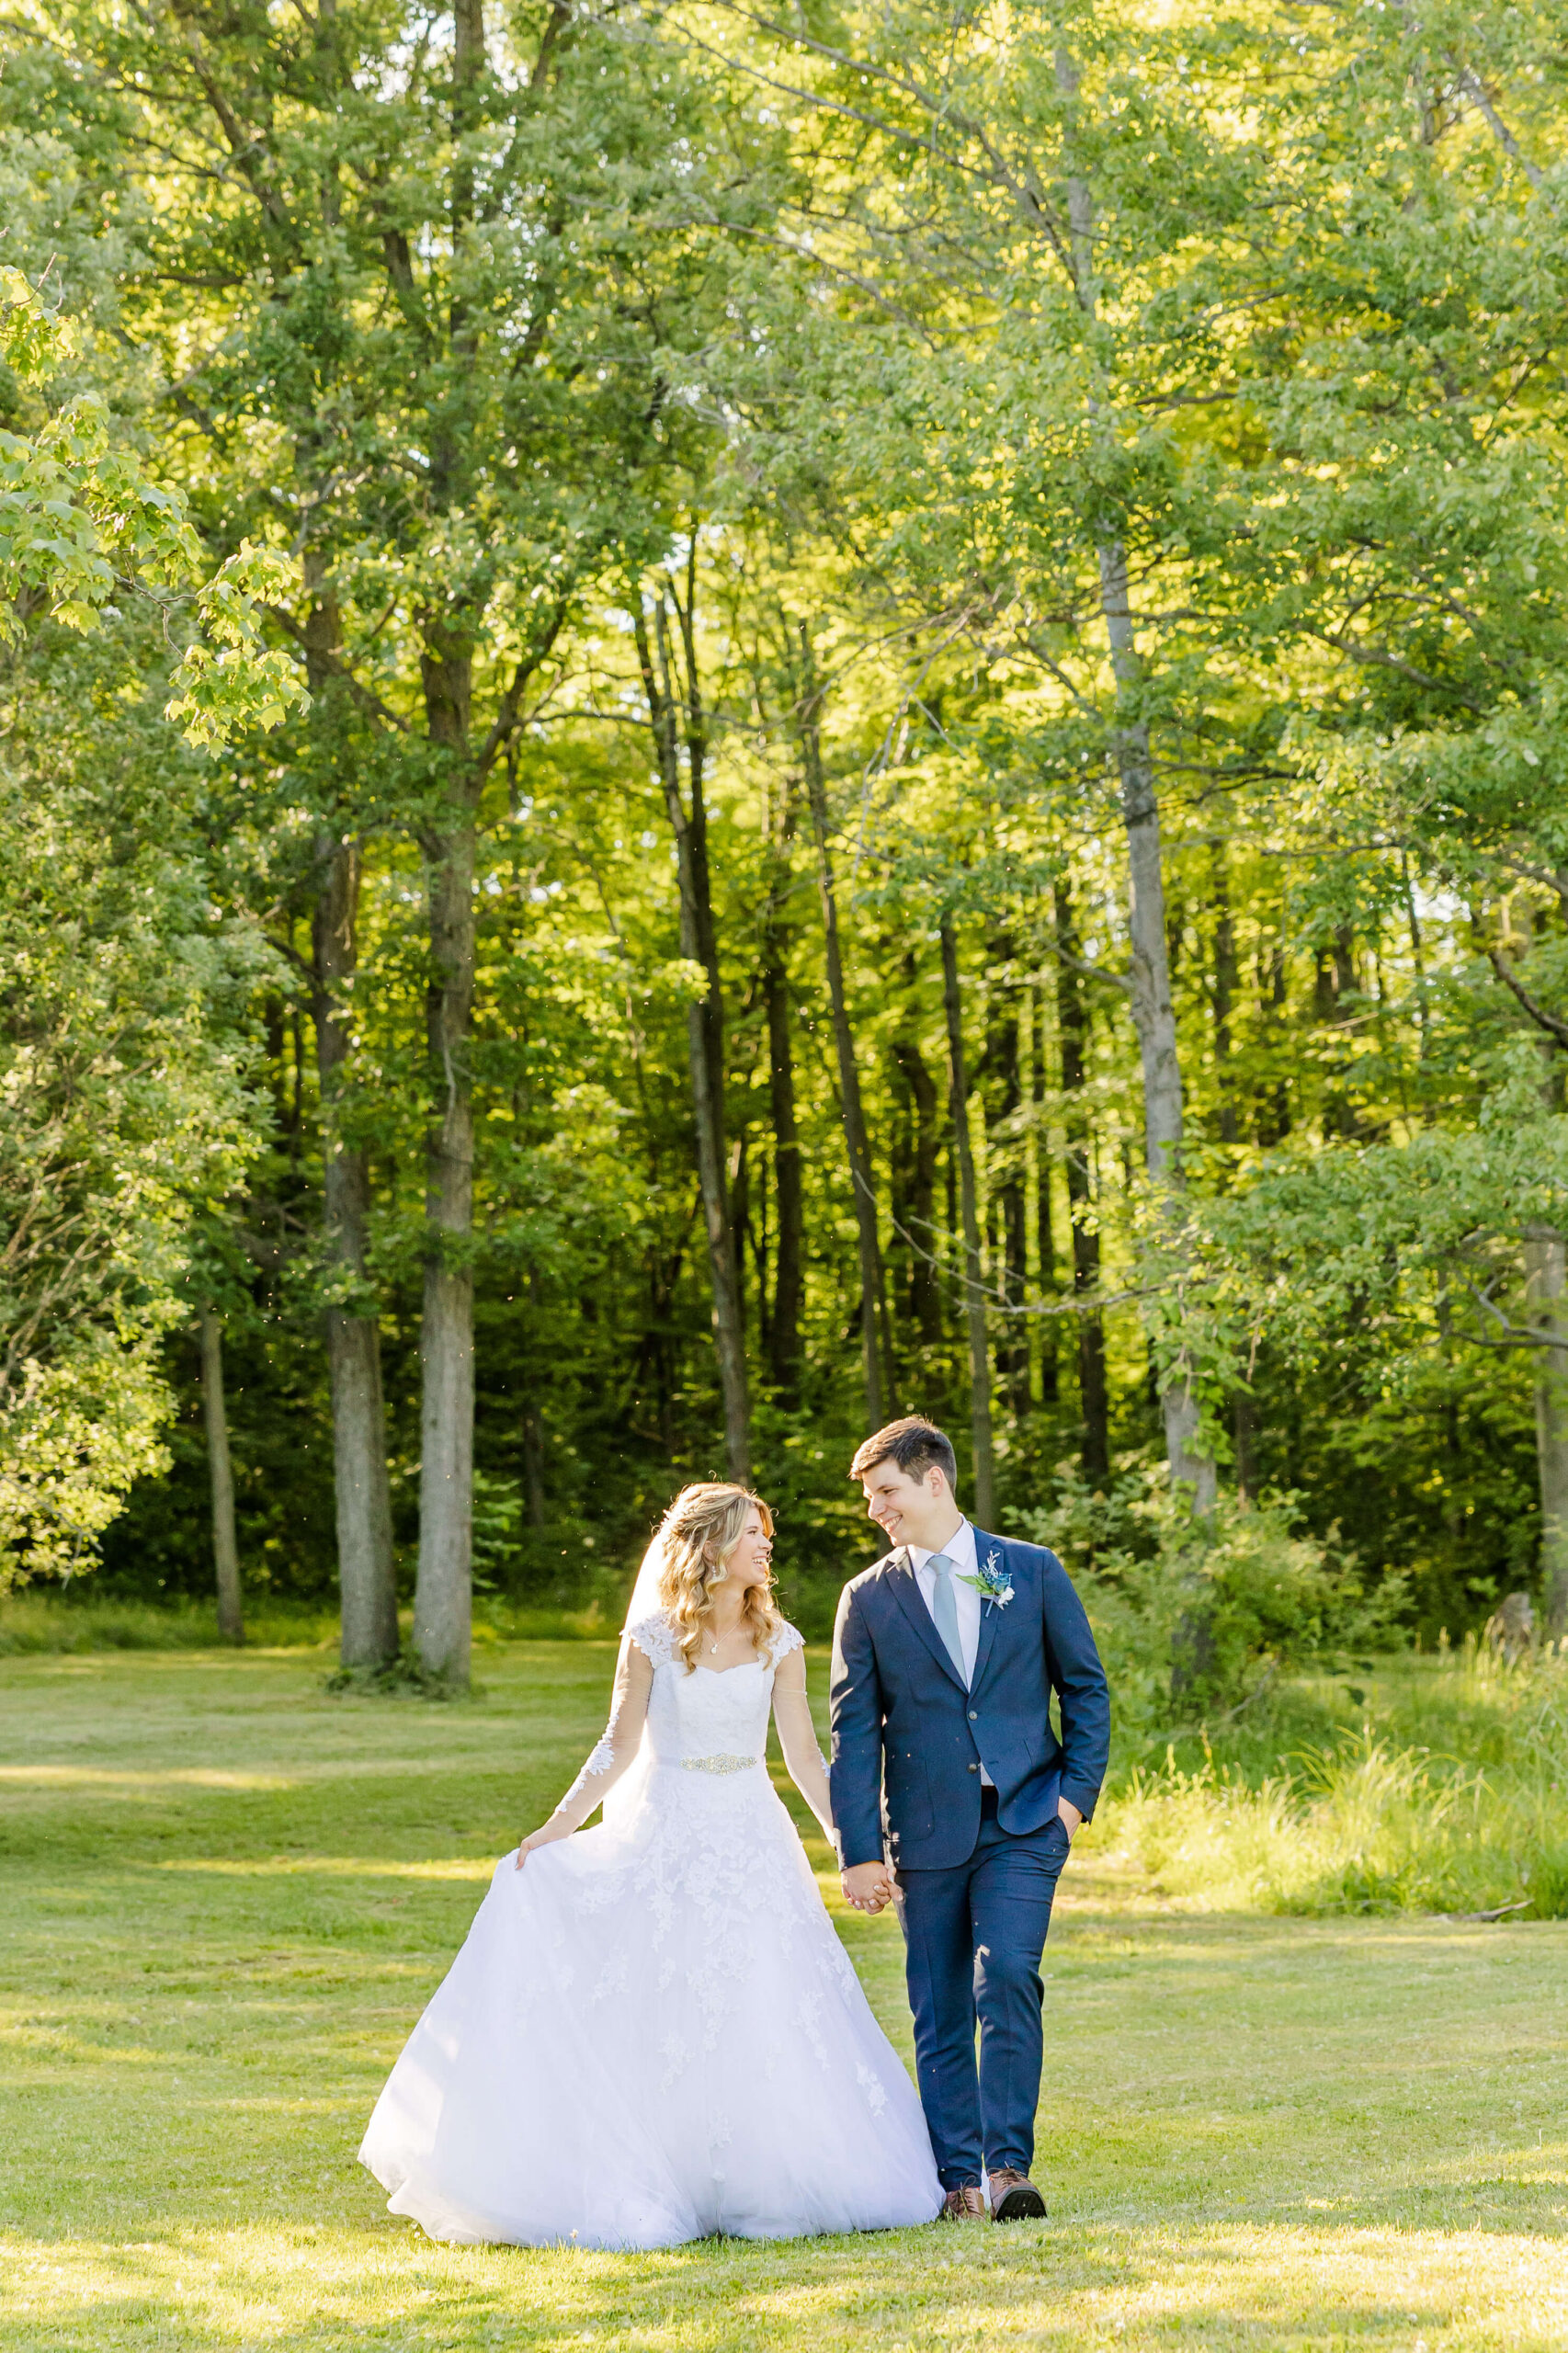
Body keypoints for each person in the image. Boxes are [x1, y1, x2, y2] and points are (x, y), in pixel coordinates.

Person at [359, 1482, 941, 2247]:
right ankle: (663, 2169)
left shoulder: (782, 1641)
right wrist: (557, 1826)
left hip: (748, 1833)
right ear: (711, 1546)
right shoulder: (654, 1639)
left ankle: (758, 2175)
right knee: (664, 1993)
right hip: (664, 1828)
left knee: (760, 1989)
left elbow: (803, 1755)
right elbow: (618, 1745)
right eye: (753, 1534)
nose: (768, 1546)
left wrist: (849, 1841)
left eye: (768, 1534)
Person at [829, 1416, 1110, 2224]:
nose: (876, 1509)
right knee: (939, 1999)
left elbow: (1084, 1688)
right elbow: (854, 1736)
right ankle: (957, 2180)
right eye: (871, 1497)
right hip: (923, 1832)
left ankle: (1006, 2169)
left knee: (1009, 1977)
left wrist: (1071, 1799)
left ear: (934, 1481)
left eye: (886, 1492)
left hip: (1026, 1819)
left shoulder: (1031, 1571)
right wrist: (858, 1853)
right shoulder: (869, 1598)